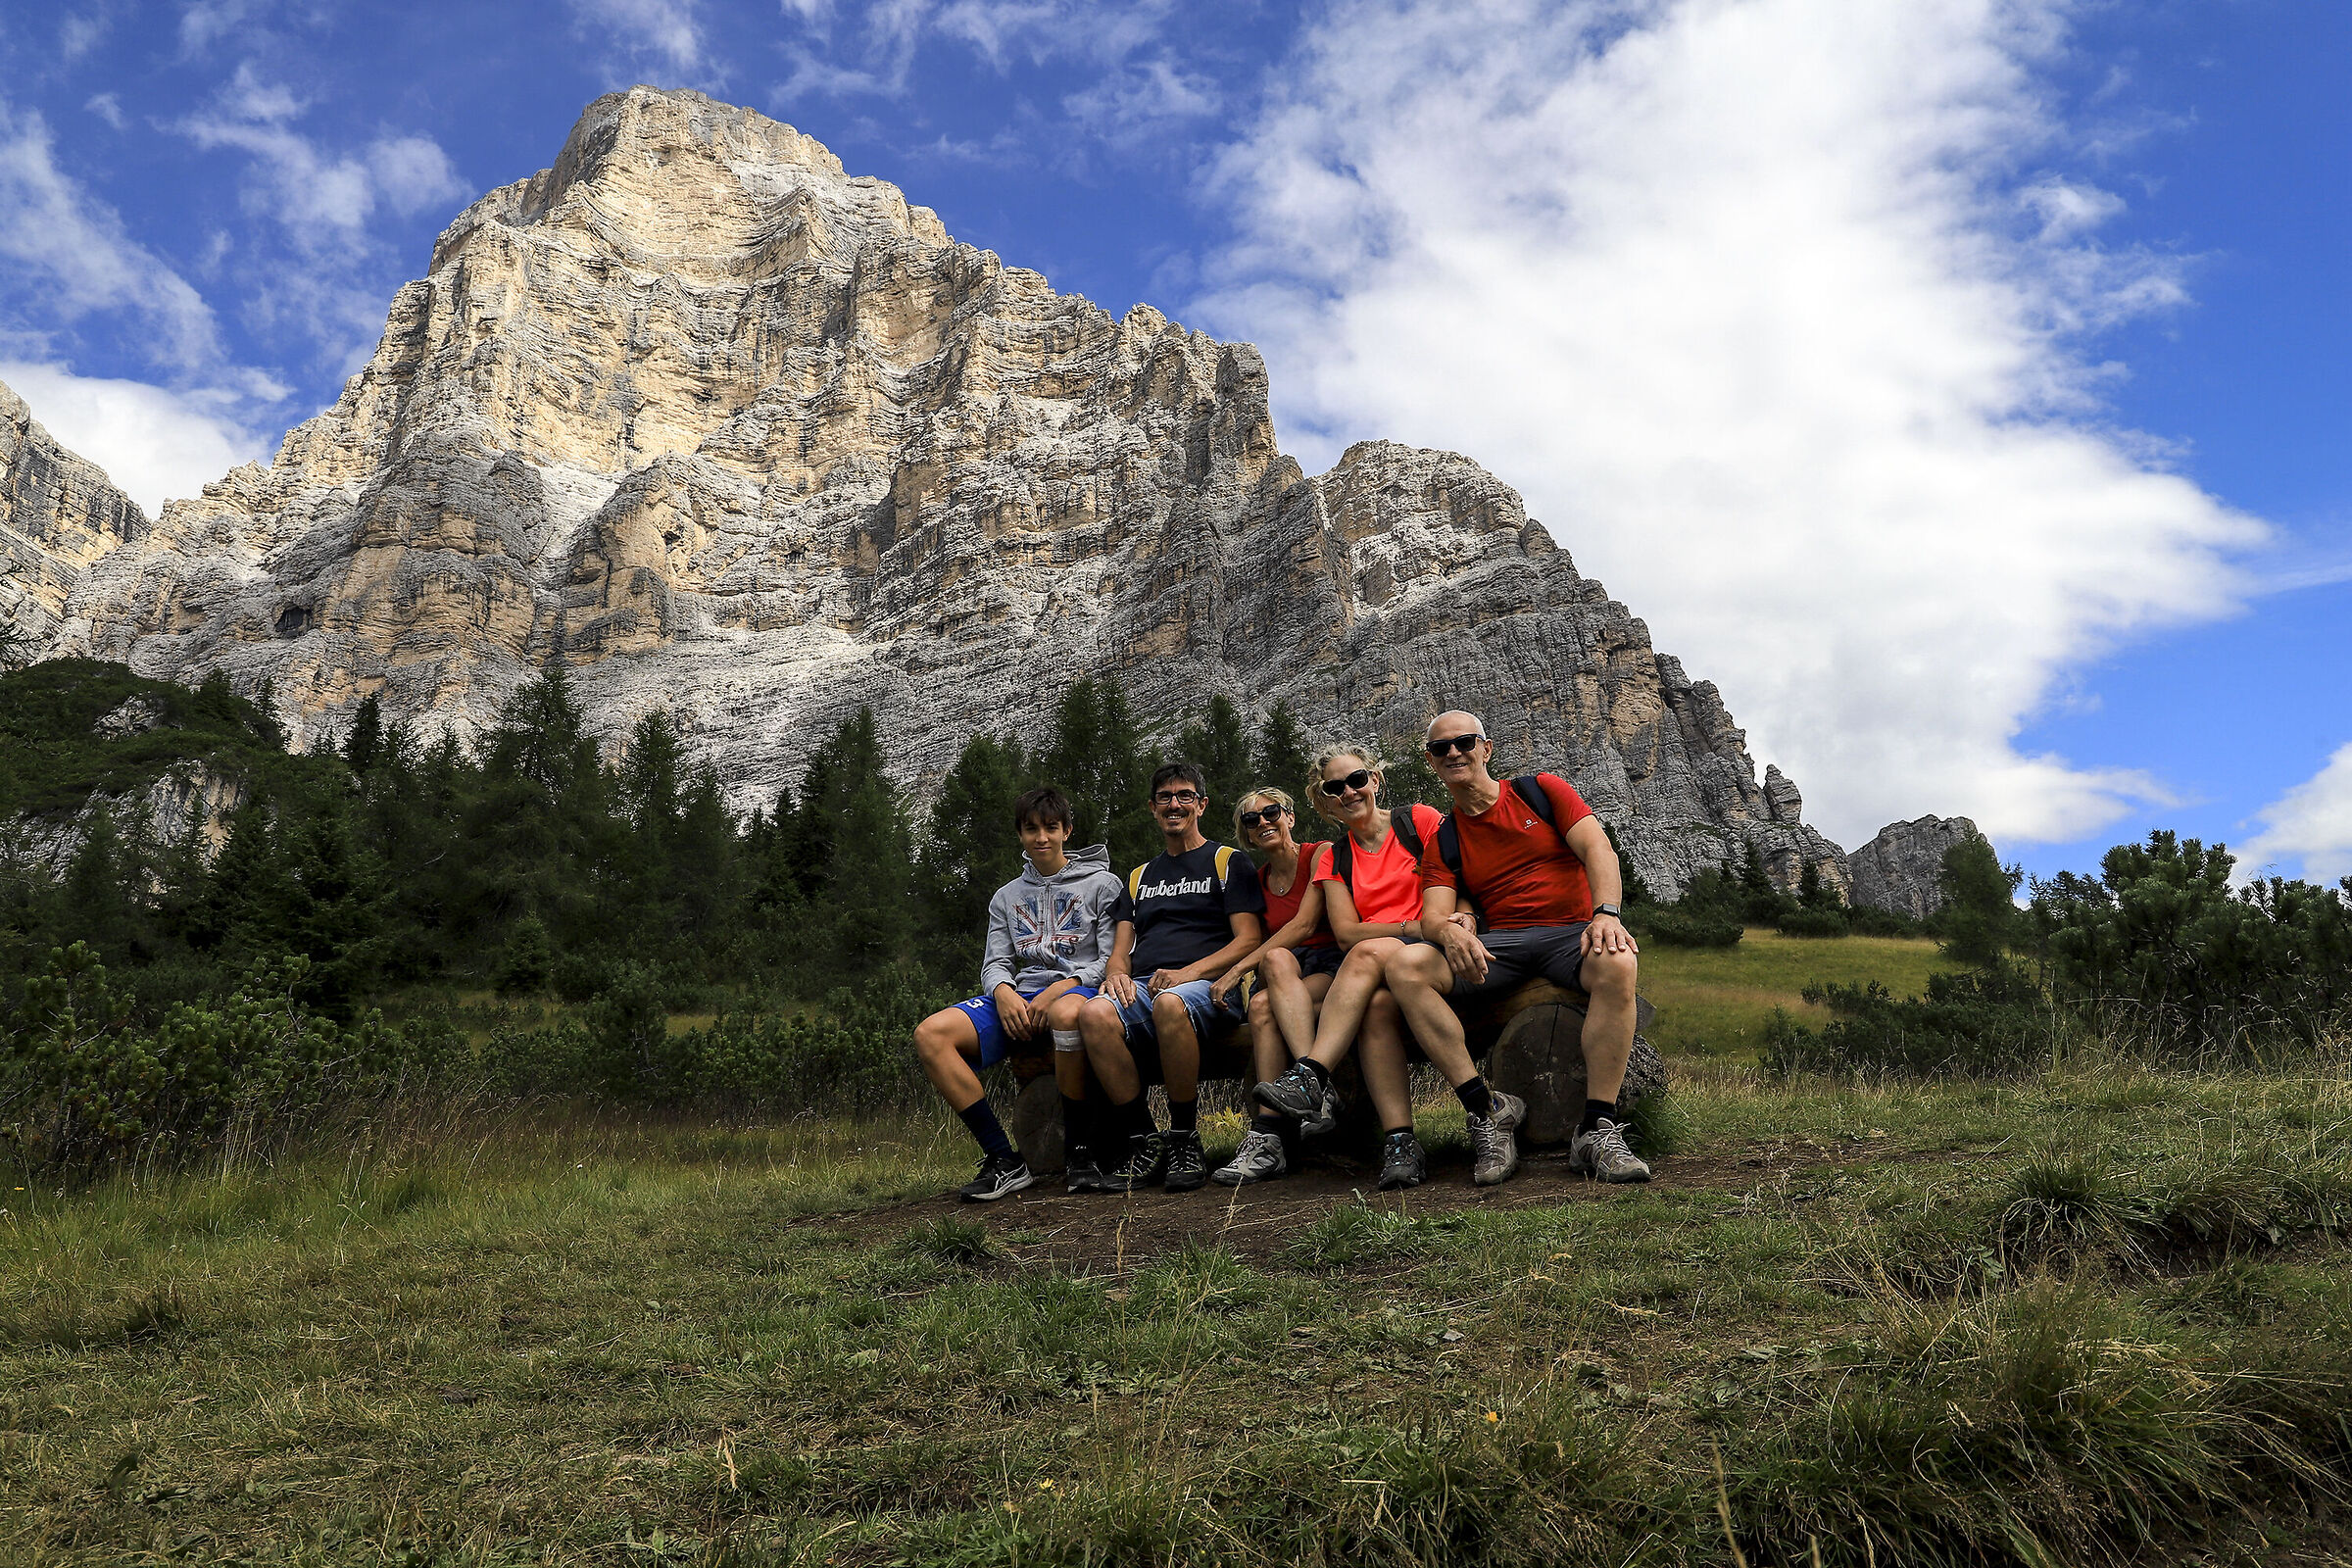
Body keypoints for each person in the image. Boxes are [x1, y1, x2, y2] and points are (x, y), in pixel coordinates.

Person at [1375, 711, 1647, 1189]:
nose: (1454, 753)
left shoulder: (1541, 791)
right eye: (1441, 749)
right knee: (1405, 964)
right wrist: (1449, 932)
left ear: (1487, 749)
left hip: (1571, 932)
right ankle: (1487, 1111)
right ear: (1431, 762)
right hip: (1501, 945)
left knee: (1619, 961)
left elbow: (1598, 849)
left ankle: (1597, 1129)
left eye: (1464, 743)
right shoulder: (1445, 837)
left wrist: (1606, 913)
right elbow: (1434, 913)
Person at [1250, 743, 1458, 1189]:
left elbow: (1456, 875)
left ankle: (1312, 1077)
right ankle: (1400, 1143)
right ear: (1324, 799)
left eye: (1357, 780)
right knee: (1376, 1007)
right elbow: (1346, 932)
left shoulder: (1417, 821)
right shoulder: (1334, 856)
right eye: (1335, 787)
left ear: (1376, 780)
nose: (1348, 791)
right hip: (1384, 962)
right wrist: (1410, 925)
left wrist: (1427, 927)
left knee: (1365, 956)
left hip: (1433, 952)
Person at [911, 785, 1123, 1201]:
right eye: (1031, 829)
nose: (1041, 837)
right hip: (1020, 998)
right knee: (930, 1034)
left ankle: (1081, 1155)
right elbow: (995, 962)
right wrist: (1004, 992)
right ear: (1020, 835)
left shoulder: (1103, 885)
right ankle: (1004, 1160)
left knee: (1066, 1015)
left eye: (1050, 827)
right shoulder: (1006, 897)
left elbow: (1111, 958)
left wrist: (1065, 986)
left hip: (1080, 992)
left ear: (1068, 830)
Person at [1075, 761, 1265, 1193]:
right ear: (1152, 808)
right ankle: (1145, 1141)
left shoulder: (1227, 861)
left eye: (1184, 796)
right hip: (1147, 985)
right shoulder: (1140, 877)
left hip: (1211, 988)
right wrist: (1117, 975)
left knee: (1169, 1002)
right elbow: (1121, 948)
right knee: (1094, 1016)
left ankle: (1184, 1137)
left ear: (1202, 805)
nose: (1174, 804)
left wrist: (1188, 973)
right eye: (1165, 797)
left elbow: (1248, 939)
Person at [1205, 786, 1338, 1186]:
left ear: (1290, 817)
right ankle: (1269, 1136)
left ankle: (1311, 1086)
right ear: (1245, 834)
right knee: (1261, 1005)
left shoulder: (1320, 854)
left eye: (1271, 813)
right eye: (1251, 820)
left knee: (1277, 958)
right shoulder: (1259, 880)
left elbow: (1304, 925)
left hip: (1335, 966)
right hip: (1292, 975)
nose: (1263, 822)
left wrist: (1233, 972)